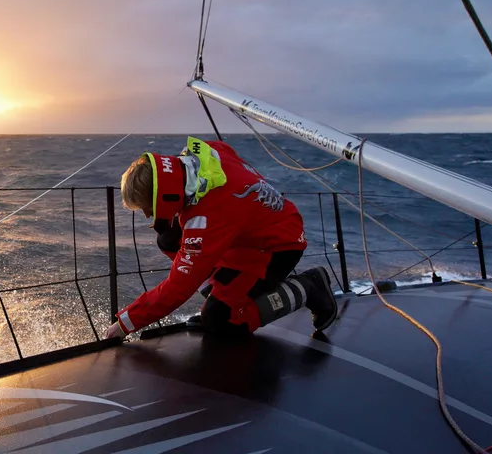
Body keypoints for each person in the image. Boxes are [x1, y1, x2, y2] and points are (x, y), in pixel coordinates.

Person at [103, 136, 338, 339]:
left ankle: (309, 285)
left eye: (148, 207)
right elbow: (229, 154)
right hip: (247, 232)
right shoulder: (203, 152)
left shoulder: (205, 219)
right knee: (168, 237)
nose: (147, 214)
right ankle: (220, 294)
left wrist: (126, 323)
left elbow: (177, 289)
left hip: (276, 246)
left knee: (220, 319)